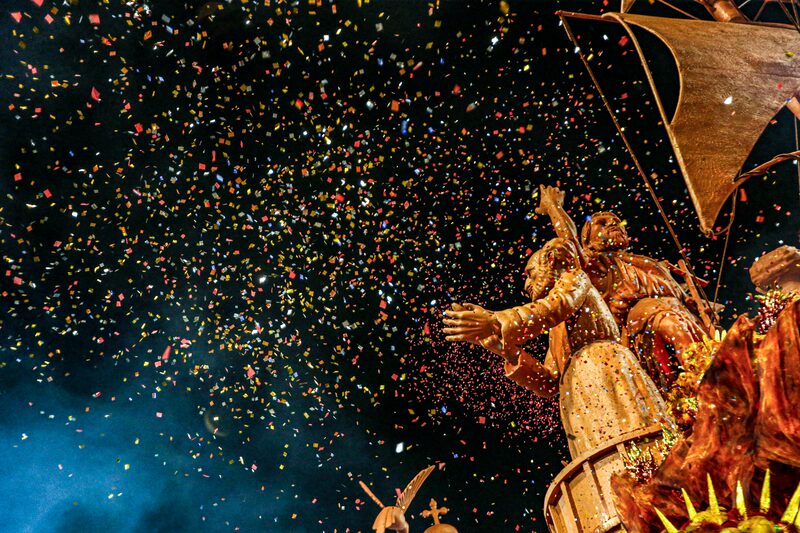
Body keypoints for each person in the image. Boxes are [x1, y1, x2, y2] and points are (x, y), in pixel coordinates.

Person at [443, 238, 672, 459]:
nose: (526, 285)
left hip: (604, 368)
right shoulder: (558, 330)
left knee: (631, 439)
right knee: (602, 454)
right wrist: (501, 347)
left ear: (551, 261)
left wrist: (495, 321)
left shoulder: (575, 278)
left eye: (530, 274)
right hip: (577, 389)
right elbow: (549, 382)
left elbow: (555, 306)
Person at [535, 186, 707, 388]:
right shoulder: (595, 267)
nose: (613, 225)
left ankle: (710, 369)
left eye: (616, 222)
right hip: (639, 341)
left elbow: (682, 298)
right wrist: (554, 207)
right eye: (602, 224)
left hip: (683, 325)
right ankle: (704, 376)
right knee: (668, 320)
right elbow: (568, 241)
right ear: (587, 243)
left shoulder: (642, 264)